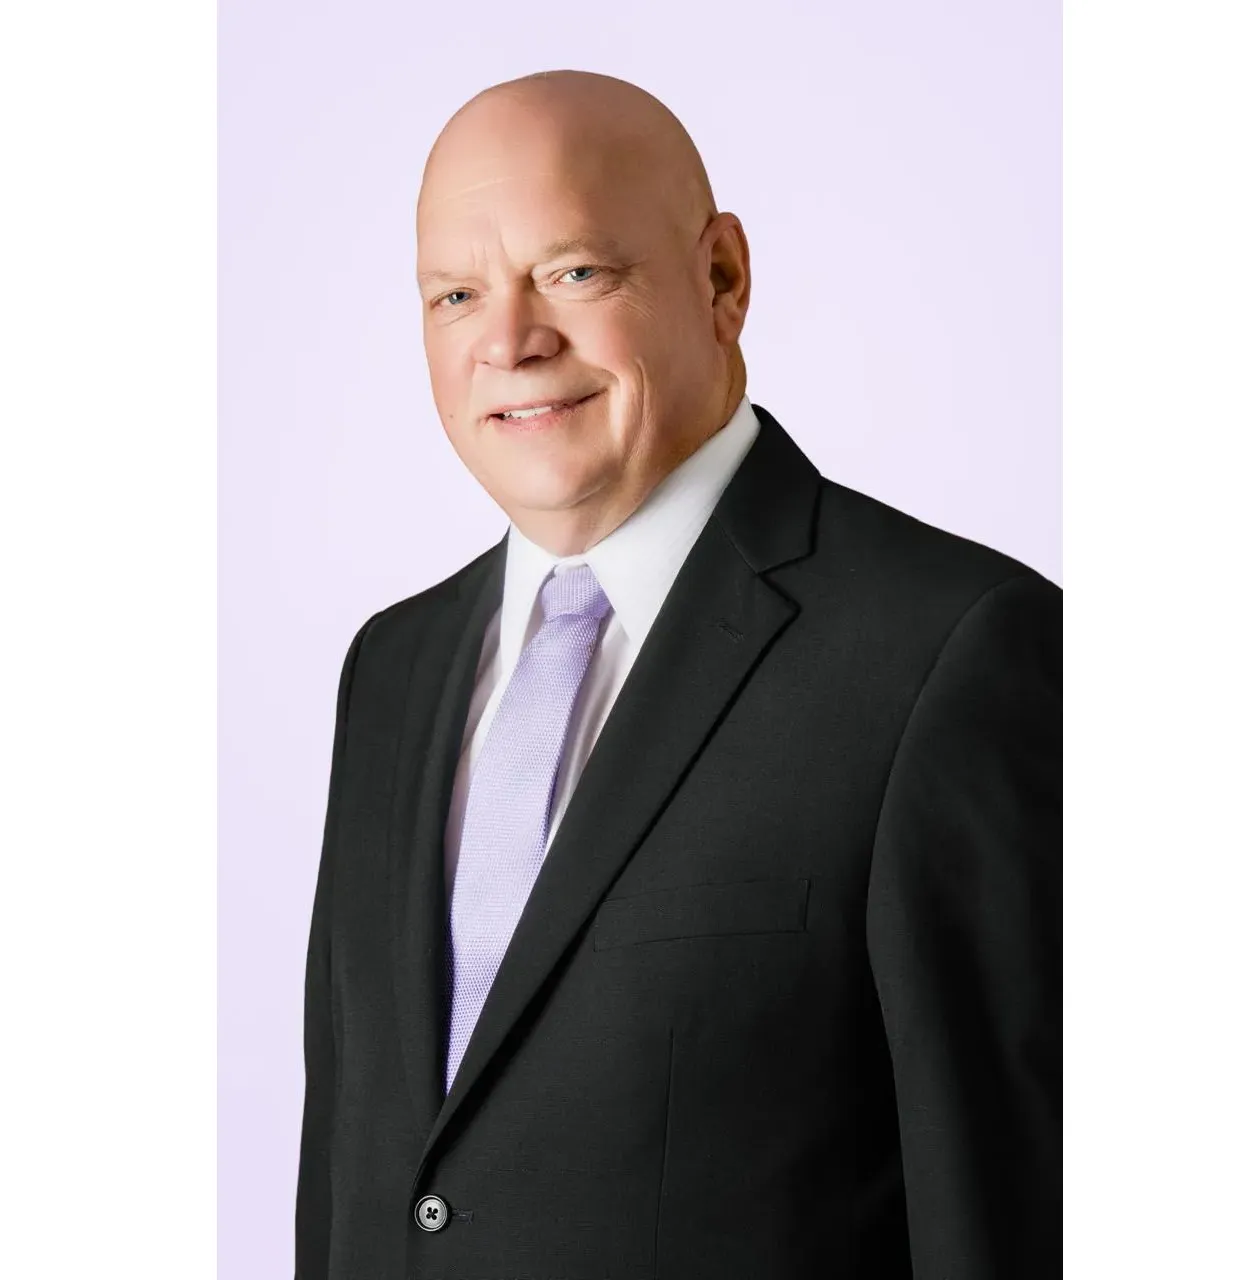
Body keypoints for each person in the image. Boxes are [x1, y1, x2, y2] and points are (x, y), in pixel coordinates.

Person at [294, 69, 1061, 1280]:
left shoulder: (950, 652)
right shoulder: (389, 670)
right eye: (455, 293)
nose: (509, 341)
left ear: (721, 278)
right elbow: (364, 1180)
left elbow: (1003, 1217)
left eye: (573, 272)